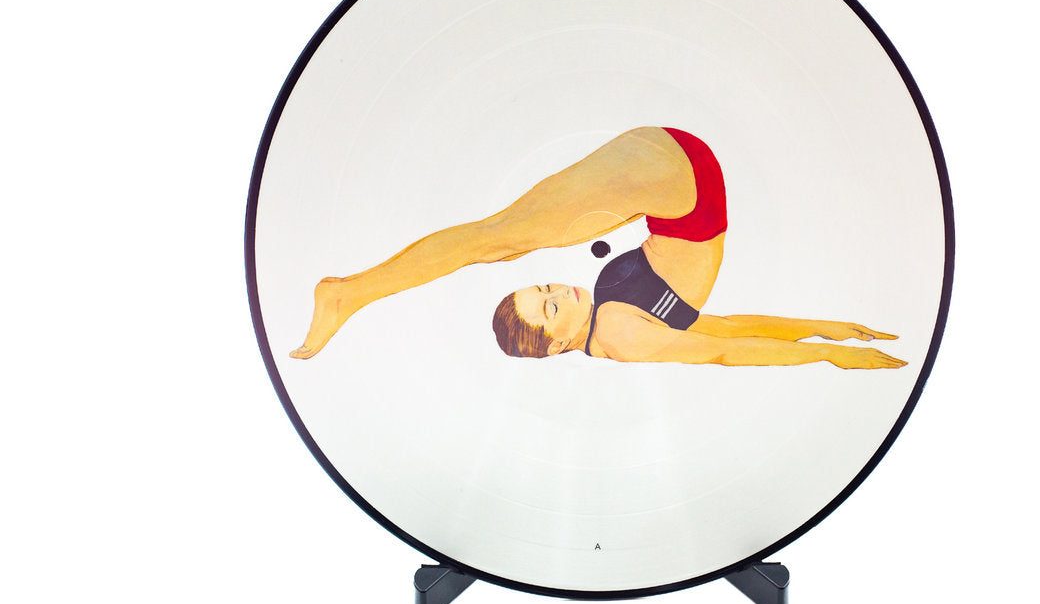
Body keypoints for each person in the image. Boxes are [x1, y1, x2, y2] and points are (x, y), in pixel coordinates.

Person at [291, 127, 905, 369]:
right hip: (678, 180)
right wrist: (827, 347)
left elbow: (721, 331)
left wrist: (828, 337)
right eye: (551, 306)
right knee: (497, 241)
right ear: (559, 343)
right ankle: (346, 293)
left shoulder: (610, 319)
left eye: (544, 289)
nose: (558, 288)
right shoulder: (618, 336)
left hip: (675, 183)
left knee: (504, 243)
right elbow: (724, 343)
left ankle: (350, 293)